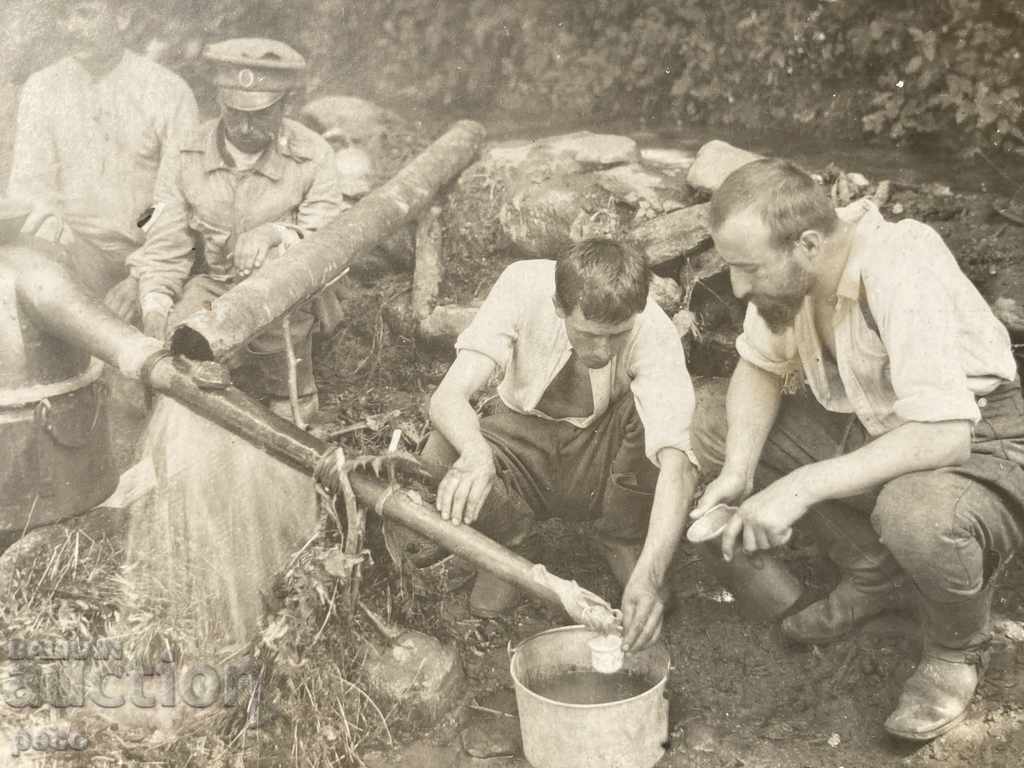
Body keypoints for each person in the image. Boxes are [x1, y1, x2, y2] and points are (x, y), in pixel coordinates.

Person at [691, 158, 1024, 740]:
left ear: (809, 243)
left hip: (980, 439)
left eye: (747, 270)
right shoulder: (790, 273)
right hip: (877, 424)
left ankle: (956, 647)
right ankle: (879, 575)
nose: (738, 288)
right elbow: (758, 367)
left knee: (916, 512)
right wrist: (740, 473)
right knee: (712, 421)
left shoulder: (899, 264)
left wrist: (798, 486)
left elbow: (945, 433)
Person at [388, 239, 699, 652]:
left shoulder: (653, 330)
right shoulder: (523, 284)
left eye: (617, 335)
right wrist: (479, 456)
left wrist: (652, 572)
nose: (603, 351)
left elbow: (678, 463)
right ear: (558, 305)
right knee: (445, 445)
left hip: (599, 452)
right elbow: (447, 398)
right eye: (589, 335)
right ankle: (511, 542)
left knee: (654, 421)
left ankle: (622, 539)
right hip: (520, 439)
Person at [127, 38, 342, 421]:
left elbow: (326, 238)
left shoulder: (313, 154)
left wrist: (274, 233)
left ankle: (292, 401)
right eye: (233, 111)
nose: (244, 126)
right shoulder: (184, 153)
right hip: (215, 283)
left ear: (285, 106)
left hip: (287, 294)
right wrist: (156, 304)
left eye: (260, 114)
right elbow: (165, 240)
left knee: (276, 281)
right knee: (173, 352)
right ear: (219, 101)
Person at [7, 0, 199, 309]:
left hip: (148, 258)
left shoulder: (167, 92)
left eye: (84, 13)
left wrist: (142, 279)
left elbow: (174, 206)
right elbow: (31, 193)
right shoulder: (42, 88)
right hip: (71, 256)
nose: (70, 27)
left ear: (122, 16)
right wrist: (57, 260)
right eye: (63, 15)